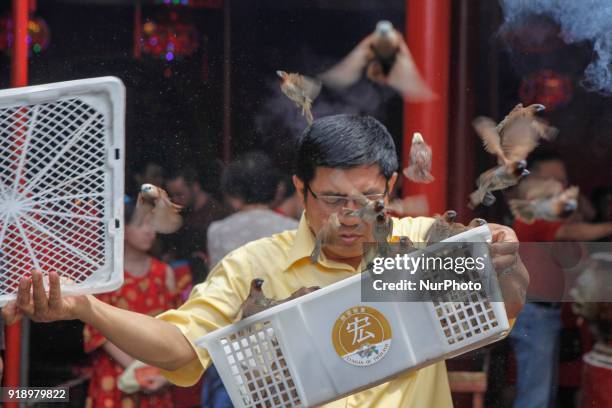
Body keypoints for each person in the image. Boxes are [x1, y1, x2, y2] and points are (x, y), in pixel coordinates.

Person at [1, 115, 528, 407]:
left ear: (390, 186)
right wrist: (91, 309)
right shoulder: (255, 265)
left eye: (366, 200)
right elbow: (183, 348)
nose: (350, 217)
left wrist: (506, 264)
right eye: (332, 199)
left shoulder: (415, 246)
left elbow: (499, 313)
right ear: (299, 189)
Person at [509, 150, 612, 408]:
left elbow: (585, 216)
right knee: (536, 397)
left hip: (544, 313)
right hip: (535, 314)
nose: (561, 186)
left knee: (542, 391)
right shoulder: (534, 213)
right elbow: (574, 230)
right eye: (554, 179)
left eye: (564, 181)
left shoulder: (550, 211)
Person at [203, 152, 298, 407]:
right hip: (282, 339)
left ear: (232, 194)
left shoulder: (218, 231)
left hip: (234, 341)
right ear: (278, 190)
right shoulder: (292, 228)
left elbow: (217, 285)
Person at [82, 196, 177, 407]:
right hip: (115, 373)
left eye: (152, 224)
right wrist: (139, 368)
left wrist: (162, 373)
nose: (149, 230)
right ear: (121, 228)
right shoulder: (106, 277)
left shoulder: (164, 273)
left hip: (157, 375)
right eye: (140, 224)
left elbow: (176, 330)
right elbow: (99, 331)